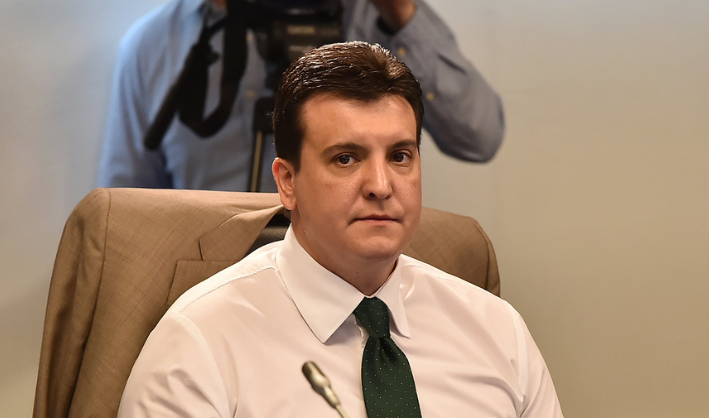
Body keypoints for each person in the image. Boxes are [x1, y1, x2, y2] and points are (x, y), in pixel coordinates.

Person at [117, 41, 561, 418]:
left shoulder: (497, 330)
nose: (381, 186)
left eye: (400, 156)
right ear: (287, 183)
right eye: (346, 158)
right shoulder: (200, 344)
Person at [98, 0, 505, 192]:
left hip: (354, 288)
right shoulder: (155, 44)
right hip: (208, 291)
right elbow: (127, 205)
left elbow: (479, 136)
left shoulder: (375, 20)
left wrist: (398, 12)